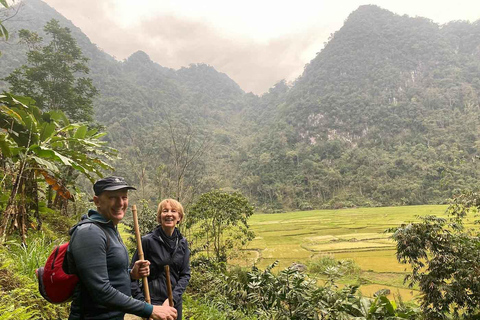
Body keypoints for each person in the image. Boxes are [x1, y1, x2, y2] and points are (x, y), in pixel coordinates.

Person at [66, 176, 177, 320]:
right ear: (97, 201)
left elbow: (109, 273)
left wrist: (131, 274)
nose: (120, 203)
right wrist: (148, 309)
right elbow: (101, 291)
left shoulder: (109, 228)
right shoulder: (89, 233)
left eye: (124, 197)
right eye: (113, 197)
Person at [131, 199, 191, 320]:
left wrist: (172, 298)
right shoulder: (147, 241)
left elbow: (185, 275)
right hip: (152, 303)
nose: (169, 214)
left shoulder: (183, 243)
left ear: (179, 217)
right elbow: (132, 273)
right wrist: (142, 303)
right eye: (165, 211)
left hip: (174, 303)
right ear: (159, 217)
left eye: (173, 211)